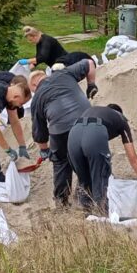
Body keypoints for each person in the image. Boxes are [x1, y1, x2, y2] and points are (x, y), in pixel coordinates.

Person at [28, 59, 96, 205]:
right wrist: (91, 85)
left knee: (60, 162)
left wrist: (45, 151)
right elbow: (89, 63)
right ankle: (88, 199)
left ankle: (62, 202)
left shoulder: (38, 97)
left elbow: (39, 132)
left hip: (61, 130)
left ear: (34, 85)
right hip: (88, 121)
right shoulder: (65, 73)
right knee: (88, 158)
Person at [67, 104, 137, 215]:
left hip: (73, 134)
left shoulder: (92, 111)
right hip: (95, 133)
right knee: (101, 182)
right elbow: (132, 156)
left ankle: (86, 217)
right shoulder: (121, 119)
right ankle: (104, 218)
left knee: (84, 181)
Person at [20, 26, 95, 73]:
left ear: (35, 36)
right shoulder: (39, 42)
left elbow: (42, 57)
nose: (30, 42)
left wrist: (27, 61)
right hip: (55, 65)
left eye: (30, 40)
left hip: (63, 64)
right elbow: (38, 59)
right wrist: (28, 69)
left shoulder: (46, 41)